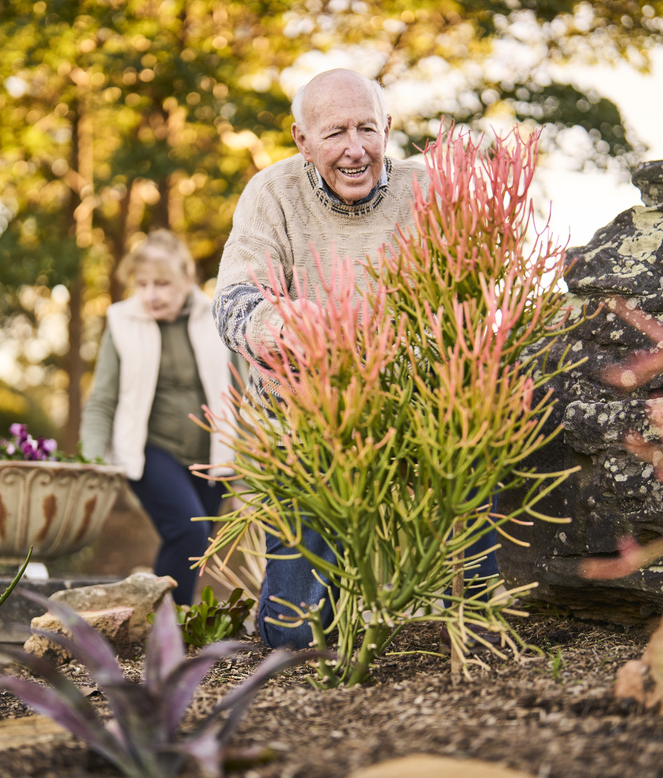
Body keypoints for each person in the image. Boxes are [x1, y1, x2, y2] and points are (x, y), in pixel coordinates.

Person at [213, 68, 499, 649]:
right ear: (300, 139)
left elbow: (471, 302)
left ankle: (469, 624)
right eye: (335, 132)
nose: (354, 149)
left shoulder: (429, 193)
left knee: (475, 438)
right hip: (310, 414)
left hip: (416, 400)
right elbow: (234, 303)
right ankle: (299, 620)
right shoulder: (272, 195)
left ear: (389, 128)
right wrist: (289, 327)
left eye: (368, 129)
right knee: (297, 635)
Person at [81, 230, 236, 607]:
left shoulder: (217, 315)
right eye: (143, 283)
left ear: (187, 278)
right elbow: (102, 399)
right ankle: (170, 622)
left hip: (212, 454)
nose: (151, 294)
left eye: (162, 283)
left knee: (195, 542)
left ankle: (157, 618)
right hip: (151, 450)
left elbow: (243, 381)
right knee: (187, 530)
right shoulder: (122, 321)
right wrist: (91, 460)